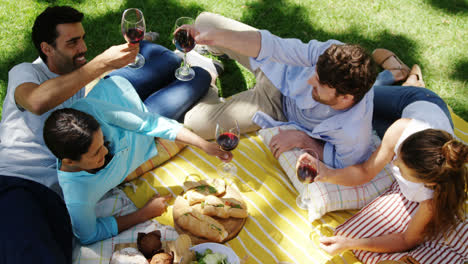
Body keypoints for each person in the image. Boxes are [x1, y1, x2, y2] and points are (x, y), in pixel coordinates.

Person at [0, 6, 210, 263]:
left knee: (164, 59)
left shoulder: (78, 86)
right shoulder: (25, 73)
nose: (84, 48)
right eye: (73, 42)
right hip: (18, 180)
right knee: (199, 77)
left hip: (114, 106)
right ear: (46, 48)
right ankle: (200, 64)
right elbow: (35, 101)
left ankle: (180, 55)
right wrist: (102, 63)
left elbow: (102, 109)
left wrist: (104, 67)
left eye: (82, 38)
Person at [297, 52, 465, 254]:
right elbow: (366, 171)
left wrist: (350, 243)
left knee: (364, 120)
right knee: (356, 100)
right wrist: (326, 173)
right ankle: (405, 80)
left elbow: (406, 240)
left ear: (428, 182)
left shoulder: (432, 199)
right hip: (418, 103)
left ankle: (404, 80)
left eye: (400, 168)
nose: (392, 164)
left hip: (414, 119)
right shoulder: (403, 129)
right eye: (396, 156)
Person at [43, 75, 231, 245]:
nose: (106, 150)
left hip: (120, 91)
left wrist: (203, 144)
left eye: (103, 142)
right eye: (96, 153)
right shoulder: (78, 197)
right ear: (69, 162)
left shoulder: (87, 114)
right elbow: (89, 235)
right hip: (150, 118)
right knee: (200, 78)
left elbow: (147, 122)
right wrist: (143, 214)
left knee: (171, 62)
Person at [182, 12, 380, 169]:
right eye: (316, 74)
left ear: (345, 98)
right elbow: (275, 47)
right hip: (280, 68)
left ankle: (207, 71)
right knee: (204, 23)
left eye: (319, 84)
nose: (311, 80)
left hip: (274, 106)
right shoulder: (333, 53)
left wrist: (304, 140)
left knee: (193, 123)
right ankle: (213, 50)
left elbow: (342, 163)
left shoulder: (354, 134)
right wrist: (214, 38)